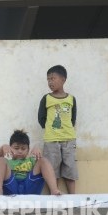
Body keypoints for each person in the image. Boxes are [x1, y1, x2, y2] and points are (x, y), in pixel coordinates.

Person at [38, 65, 78, 194]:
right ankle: (53, 195)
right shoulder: (46, 98)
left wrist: (64, 130)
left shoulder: (71, 99)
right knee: (51, 169)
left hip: (68, 139)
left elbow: (73, 119)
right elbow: (41, 118)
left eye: (53, 78)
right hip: (51, 140)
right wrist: (52, 129)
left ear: (63, 79)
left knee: (70, 169)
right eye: (48, 79)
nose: (50, 82)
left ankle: (73, 197)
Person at [0, 129, 61, 195]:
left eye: (23, 148)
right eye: (16, 148)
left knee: (43, 160)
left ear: (28, 150)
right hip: (12, 186)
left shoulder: (31, 160)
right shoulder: (7, 162)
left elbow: (44, 166)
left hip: (29, 186)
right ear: (10, 148)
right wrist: (2, 148)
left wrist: (37, 148)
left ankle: (54, 190)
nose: (20, 151)